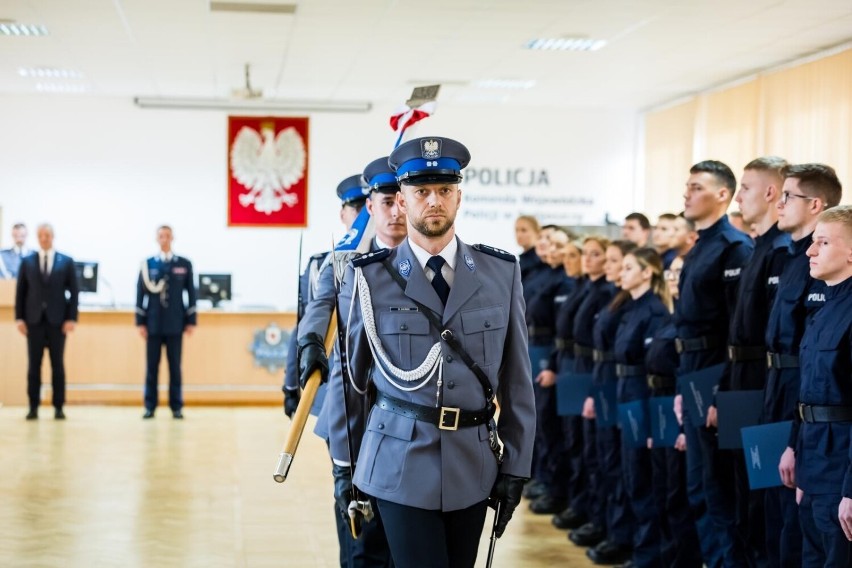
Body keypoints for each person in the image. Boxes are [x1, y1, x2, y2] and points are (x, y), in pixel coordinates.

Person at [317, 137, 535, 567]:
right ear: (401, 201)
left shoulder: (500, 273)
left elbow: (517, 379)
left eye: (444, 190)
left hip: (472, 463)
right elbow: (351, 380)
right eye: (421, 192)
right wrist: (344, 465)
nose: (434, 201)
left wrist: (517, 464)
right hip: (397, 459)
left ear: (459, 196)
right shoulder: (369, 278)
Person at [297, 161, 402, 568]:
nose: (394, 212)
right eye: (385, 202)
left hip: (409, 419)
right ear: (370, 209)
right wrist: (308, 345)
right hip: (352, 408)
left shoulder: (429, 266)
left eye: (400, 201)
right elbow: (318, 310)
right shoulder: (343, 264)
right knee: (360, 532)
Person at [710, 157, 789, 565]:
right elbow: (735, 331)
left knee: (760, 497)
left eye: (745, 188)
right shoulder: (758, 247)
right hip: (739, 379)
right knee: (738, 488)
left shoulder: (782, 252)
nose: (738, 196)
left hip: (763, 381)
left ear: (770, 193)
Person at [676, 160, 754, 566]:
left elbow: (736, 330)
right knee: (699, 489)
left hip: (714, 371)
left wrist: (720, 392)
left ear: (722, 194)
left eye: (695, 187)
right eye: (686, 186)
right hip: (691, 369)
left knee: (720, 492)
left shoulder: (734, 247)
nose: (686, 193)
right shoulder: (701, 244)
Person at [768, 164, 841, 566]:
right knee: (790, 531)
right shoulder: (816, 297)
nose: (812, 251)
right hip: (803, 432)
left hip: (833, 445)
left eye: (823, 243)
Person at [283, 174, 369, 419]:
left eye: (368, 209)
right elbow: (304, 326)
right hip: (335, 386)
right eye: (357, 208)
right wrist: (290, 385)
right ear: (343, 214)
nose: (365, 217)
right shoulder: (320, 267)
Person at [795, 204, 852, 565]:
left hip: (840, 467)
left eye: (823, 242)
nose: (810, 251)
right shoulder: (823, 310)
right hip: (813, 462)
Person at [614, 247, 672, 567]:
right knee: (629, 474)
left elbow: (654, 368)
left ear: (646, 272)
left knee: (641, 478)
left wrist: (650, 421)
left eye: (627, 267)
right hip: (626, 393)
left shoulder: (654, 312)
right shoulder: (631, 307)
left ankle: (648, 555)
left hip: (641, 396)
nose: (621, 274)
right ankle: (639, 548)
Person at [647, 255, 703, 567]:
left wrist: (682, 427)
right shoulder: (671, 314)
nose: (673, 276)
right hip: (661, 405)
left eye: (681, 272)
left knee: (681, 495)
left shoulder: (690, 319)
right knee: (665, 491)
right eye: (672, 270)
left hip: (680, 405)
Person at [583, 239, 637, 565]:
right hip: (604, 380)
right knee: (604, 458)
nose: (609, 267)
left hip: (620, 385)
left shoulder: (630, 303)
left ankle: (621, 534)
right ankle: (608, 526)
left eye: (617, 262)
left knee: (619, 464)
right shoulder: (616, 300)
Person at [568, 236, 614, 549]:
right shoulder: (586, 288)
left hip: (596, 369)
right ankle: (585, 508)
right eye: (588, 253)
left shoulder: (609, 294)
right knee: (578, 443)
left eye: (597, 255)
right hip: (579, 364)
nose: (589, 259)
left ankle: (600, 518)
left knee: (599, 452)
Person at [14, 223, 78, 420]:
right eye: (40, 235)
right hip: (33, 321)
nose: (44, 238)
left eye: (47, 235)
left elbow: (73, 292)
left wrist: (71, 318)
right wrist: (19, 318)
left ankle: (58, 406)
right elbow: (21, 292)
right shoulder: (28, 261)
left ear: (53, 236)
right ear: (37, 237)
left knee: (57, 365)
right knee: (34, 365)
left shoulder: (65, 261)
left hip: (58, 322)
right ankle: (33, 406)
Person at [135, 225, 197, 419]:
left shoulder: (184, 264)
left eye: (167, 236)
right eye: (161, 236)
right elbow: (140, 294)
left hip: (175, 324)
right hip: (153, 324)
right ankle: (150, 406)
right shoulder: (148, 264)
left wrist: (191, 321)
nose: (164, 239)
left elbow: (191, 294)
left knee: (175, 367)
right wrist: (140, 322)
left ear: (172, 238)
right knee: (152, 367)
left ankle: (176, 407)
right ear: (157, 238)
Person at [515, 215, 542, 280]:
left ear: (537, 232)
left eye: (524, 230)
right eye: (516, 230)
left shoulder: (540, 260)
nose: (519, 235)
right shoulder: (522, 260)